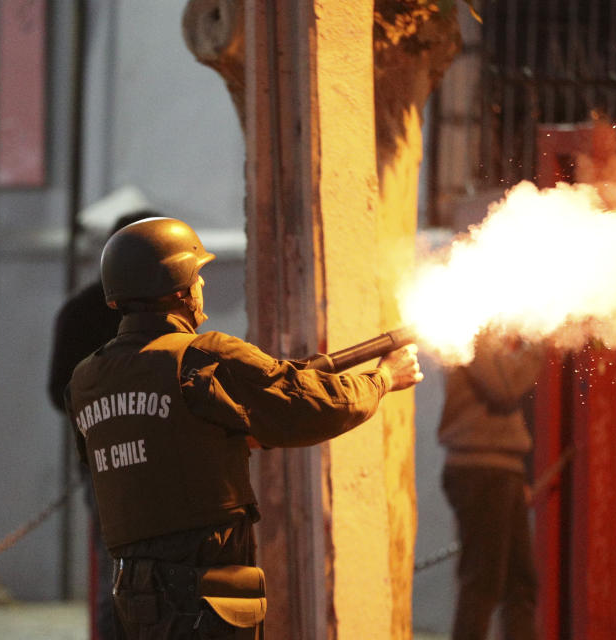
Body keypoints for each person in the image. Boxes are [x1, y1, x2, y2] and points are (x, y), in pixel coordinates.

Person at [64, 217, 423, 639]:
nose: (202, 286)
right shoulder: (203, 358)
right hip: (204, 603)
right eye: (197, 275)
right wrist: (383, 379)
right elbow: (313, 406)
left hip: (136, 605)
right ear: (179, 286)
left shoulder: (85, 380)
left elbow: (158, 450)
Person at [48, 210, 158, 640]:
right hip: (111, 465)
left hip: (118, 462)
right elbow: (61, 389)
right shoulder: (84, 313)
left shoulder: (82, 309)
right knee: (119, 577)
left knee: (123, 575)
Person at [438, 331, 544, 640]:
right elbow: (505, 388)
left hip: (501, 470)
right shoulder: (470, 329)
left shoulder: (492, 332)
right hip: (481, 470)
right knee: (482, 584)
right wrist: (538, 345)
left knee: (521, 585)